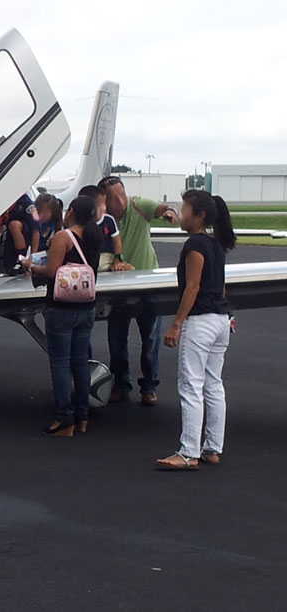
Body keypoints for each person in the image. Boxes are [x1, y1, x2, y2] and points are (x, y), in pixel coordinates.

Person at [155, 190, 236, 470]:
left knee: (191, 385)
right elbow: (221, 286)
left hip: (200, 321)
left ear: (199, 215)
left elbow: (193, 286)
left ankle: (188, 452)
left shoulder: (195, 246)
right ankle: (212, 447)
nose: (181, 212)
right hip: (221, 320)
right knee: (213, 384)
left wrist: (176, 324)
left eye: (185, 208)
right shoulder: (217, 245)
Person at [23, 196, 103, 436]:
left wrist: (30, 266)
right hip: (86, 307)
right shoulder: (95, 237)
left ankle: (64, 418)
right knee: (80, 363)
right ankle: (82, 416)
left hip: (61, 308)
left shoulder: (63, 237)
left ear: (72, 213)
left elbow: (51, 271)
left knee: (60, 363)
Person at [98, 176, 179, 406]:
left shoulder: (138, 205)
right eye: (113, 198)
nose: (120, 201)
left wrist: (170, 212)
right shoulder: (102, 219)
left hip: (147, 284)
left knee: (151, 338)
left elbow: (162, 208)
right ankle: (121, 384)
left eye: (121, 194)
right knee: (117, 338)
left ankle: (149, 386)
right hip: (117, 286)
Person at [78, 185, 125, 272]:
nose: (104, 207)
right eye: (101, 204)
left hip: (106, 257)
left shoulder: (108, 220)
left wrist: (117, 259)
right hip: (85, 259)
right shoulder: (80, 222)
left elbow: (116, 241)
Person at [2, 193, 41, 276]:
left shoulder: (29, 205)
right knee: (8, 266)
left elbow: (36, 231)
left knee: (14, 225)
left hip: (23, 233)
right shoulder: (3, 199)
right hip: (9, 237)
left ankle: (20, 259)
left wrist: (32, 258)